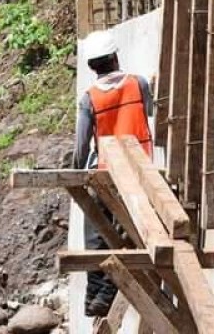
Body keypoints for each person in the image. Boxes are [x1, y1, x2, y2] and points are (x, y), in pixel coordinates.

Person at [73, 30, 154, 317]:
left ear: (92, 67)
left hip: (105, 173)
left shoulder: (89, 99)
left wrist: (77, 174)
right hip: (140, 174)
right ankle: (105, 292)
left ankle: (97, 293)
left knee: (96, 234)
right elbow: (150, 111)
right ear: (115, 57)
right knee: (129, 234)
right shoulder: (139, 84)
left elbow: (82, 147)